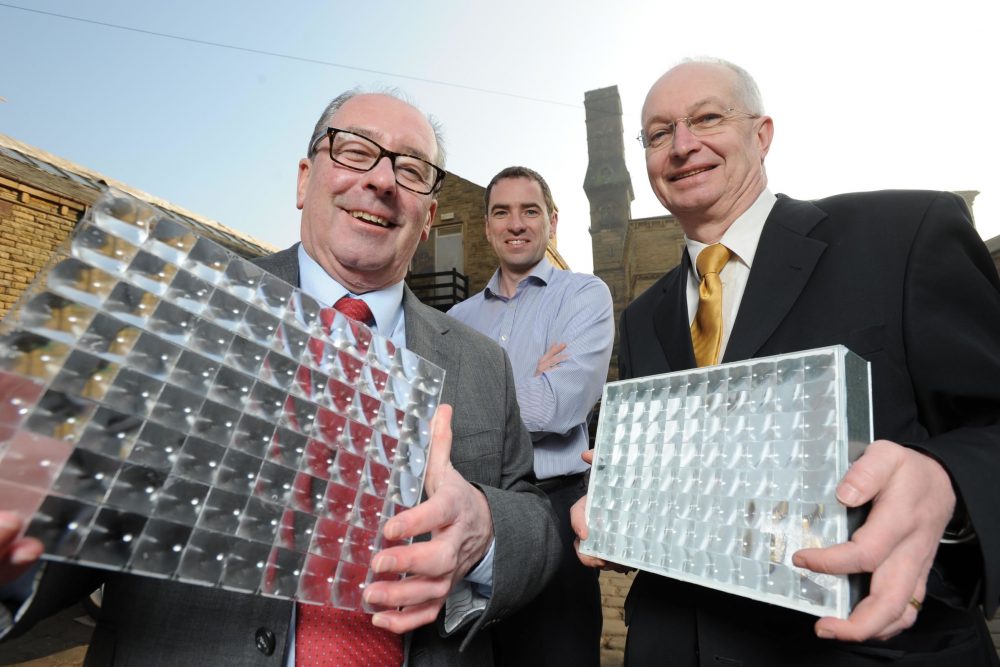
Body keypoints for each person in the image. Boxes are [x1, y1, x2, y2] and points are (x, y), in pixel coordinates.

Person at [0, 89, 561, 666]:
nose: (382, 180)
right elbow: (67, 527)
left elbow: (534, 513)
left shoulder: (482, 363)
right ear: (304, 180)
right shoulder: (176, 313)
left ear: (429, 219)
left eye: (412, 170)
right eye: (355, 151)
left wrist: (486, 530)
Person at [571, 58, 1000, 665]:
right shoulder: (642, 317)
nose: (683, 144)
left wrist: (948, 481)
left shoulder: (901, 234)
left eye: (707, 118)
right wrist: (622, 503)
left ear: (763, 133)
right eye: (660, 132)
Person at [448, 166, 613, 666]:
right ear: (487, 227)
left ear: (552, 221)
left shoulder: (584, 296)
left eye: (530, 211)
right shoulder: (456, 321)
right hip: (471, 507)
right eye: (502, 212)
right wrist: (529, 378)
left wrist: (479, 398)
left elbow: (559, 405)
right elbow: (437, 416)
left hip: (554, 511)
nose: (516, 224)